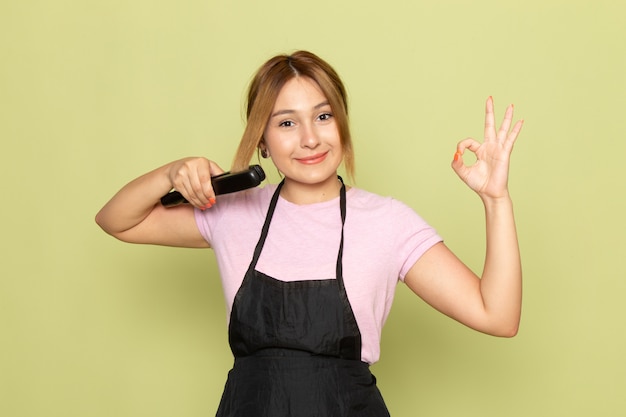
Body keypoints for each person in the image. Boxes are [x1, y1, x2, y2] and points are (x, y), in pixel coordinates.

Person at [95, 50, 523, 416]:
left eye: (323, 116)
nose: (310, 138)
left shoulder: (386, 222)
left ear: (342, 124)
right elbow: (117, 220)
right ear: (261, 140)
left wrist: (495, 199)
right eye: (286, 123)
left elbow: (497, 315)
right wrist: (171, 172)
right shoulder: (233, 214)